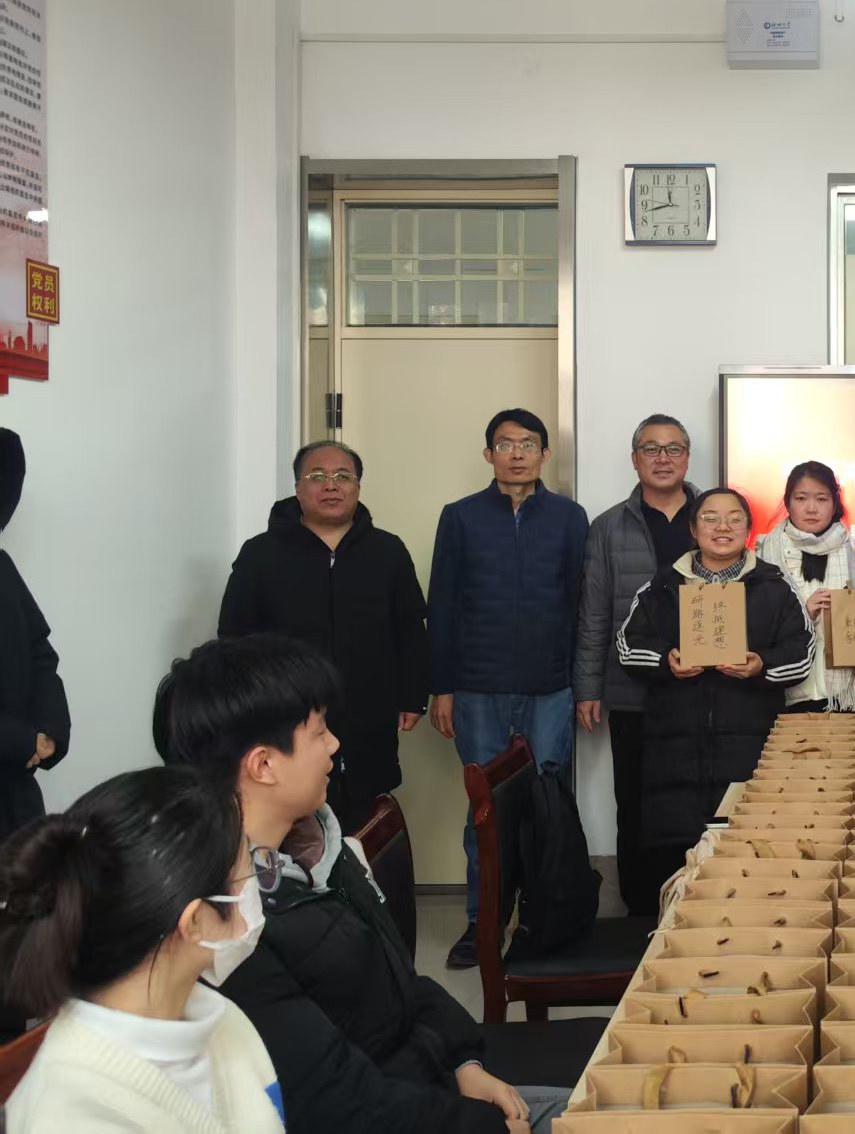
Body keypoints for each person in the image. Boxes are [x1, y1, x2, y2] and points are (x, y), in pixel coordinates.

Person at [154, 634, 560, 1134]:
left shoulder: (321, 854)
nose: (334, 744)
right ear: (263, 764)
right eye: (319, 732)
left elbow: (402, 983)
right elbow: (342, 1104)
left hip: (438, 1091)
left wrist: (464, 1063)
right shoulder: (233, 929)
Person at [0, 765, 285, 1133]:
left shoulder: (222, 1020)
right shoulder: (74, 1120)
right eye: (248, 873)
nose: (256, 889)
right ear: (195, 922)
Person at [427, 408, 588, 968]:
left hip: (550, 686)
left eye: (527, 444)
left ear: (545, 453)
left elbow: (580, 603)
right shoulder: (461, 517)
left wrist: (581, 685)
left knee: (546, 807)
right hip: (477, 688)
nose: (516, 454)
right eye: (504, 444)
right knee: (486, 811)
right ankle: (484, 922)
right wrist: (442, 686)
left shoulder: (569, 518)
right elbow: (442, 603)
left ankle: (542, 918)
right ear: (488, 453)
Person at [218, 440, 430, 827]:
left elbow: (410, 628)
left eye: (342, 476)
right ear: (298, 488)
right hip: (286, 715)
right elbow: (234, 638)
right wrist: (250, 705)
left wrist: (413, 696)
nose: (331, 485)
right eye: (317, 476)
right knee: (293, 819)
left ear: (358, 487)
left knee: (365, 817)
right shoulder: (260, 554)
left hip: (369, 709)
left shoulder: (388, 551)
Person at [617, 488, 813, 868]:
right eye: (710, 518)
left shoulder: (775, 586)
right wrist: (665, 660)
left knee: (749, 859)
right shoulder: (662, 586)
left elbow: (802, 654)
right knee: (674, 865)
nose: (722, 527)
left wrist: (762, 665)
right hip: (674, 757)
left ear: (748, 529)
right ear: (693, 528)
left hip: (751, 749)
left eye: (734, 519)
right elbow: (627, 646)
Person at [572, 414, 700, 917]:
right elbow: (593, 612)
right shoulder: (608, 526)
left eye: (673, 449)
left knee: (696, 796)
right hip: (631, 689)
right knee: (636, 798)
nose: (663, 459)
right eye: (651, 449)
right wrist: (588, 686)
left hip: (701, 687)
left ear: (687, 457)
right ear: (635, 459)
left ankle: (695, 901)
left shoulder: (714, 515)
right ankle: (640, 906)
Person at [755, 461, 855, 712]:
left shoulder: (852, 555)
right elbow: (757, 628)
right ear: (788, 503)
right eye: (801, 498)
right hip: (786, 694)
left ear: (834, 504)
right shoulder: (765, 555)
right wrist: (802, 615)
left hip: (844, 699)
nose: (811, 508)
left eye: (822, 499)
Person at [0, 428, 69, 842]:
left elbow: (40, 653)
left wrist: (50, 731)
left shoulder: (2, 567)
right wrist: (20, 740)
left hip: (14, 791)